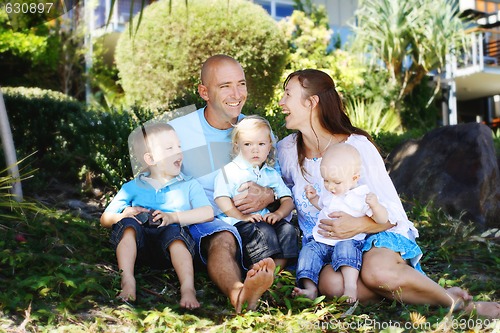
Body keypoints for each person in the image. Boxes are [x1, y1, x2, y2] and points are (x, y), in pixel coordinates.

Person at [277, 69, 500, 318]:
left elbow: (394, 214)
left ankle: (460, 305)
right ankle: (417, 289)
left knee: (376, 274)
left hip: (373, 236)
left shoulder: (356, 146)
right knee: (332, 286)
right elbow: (279, 195)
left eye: (287, 95)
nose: (281, 102)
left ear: (312, 102)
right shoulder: (286, 151)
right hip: (328, 247)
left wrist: (357, 224)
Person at [168, 54, 277, 313]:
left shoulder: (257, 131)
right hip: (208, 221)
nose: (236, 94)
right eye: (225, 86)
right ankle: (238, 294)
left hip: (253, 222)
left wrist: (268, 194)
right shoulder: (178, 131)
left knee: (276, 234)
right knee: (223, 237)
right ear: (204, 92)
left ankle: (264, 279)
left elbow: (277, 182)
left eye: (241, 84)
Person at [100, 123, 214, 309]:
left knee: (175, 235)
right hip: (139, 246)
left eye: (179, 146)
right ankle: (127, 280)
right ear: (150, 158)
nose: (178, 152)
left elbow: (208, 213)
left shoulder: (188, 184)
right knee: (128, 225)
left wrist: (173, 217)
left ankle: (187, 288)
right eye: (170, 148)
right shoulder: (132, 187)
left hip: (170, 245)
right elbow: (105, 218)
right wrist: (122, 215)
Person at [294, 143, 388, 302]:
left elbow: (382, 219)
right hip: (322, 241)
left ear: (354, 178)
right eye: (326, 181)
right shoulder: (329, 192)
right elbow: (323, 205)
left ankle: (350, 287)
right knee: (308, 251)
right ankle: (310, 288)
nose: (330, 187)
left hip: (348, 240)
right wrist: (313, 198)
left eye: (336, 182)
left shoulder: (361, 195)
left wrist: (375, 206)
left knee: (346, 250)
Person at [213, 115, 298, 269]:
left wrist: (278, 214)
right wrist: (242, 216)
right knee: (263, 232)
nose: (255, 149)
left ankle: (275, 274)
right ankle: (257, 271)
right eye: (247, 144)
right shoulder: (230, 171)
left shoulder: (270, 173)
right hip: (239, 222)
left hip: (265, 220)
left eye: (261, 144)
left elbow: (287, 199)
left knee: (287, 229)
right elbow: (221, 198)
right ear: (237, 146)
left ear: (269, 146)